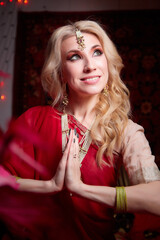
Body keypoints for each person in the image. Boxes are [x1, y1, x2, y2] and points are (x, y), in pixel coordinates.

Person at [2, 20, 160, 240]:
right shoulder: (33, 120)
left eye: (97, 53)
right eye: (74, 56)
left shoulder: (126, 131)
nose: (90, 66)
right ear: (59, 72)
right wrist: (50, 186)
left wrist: (82, 189)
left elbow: (157, 198)